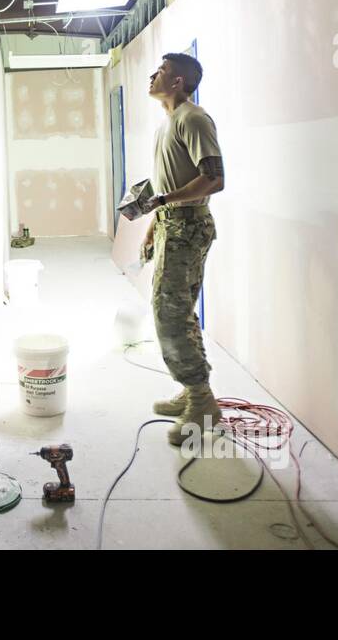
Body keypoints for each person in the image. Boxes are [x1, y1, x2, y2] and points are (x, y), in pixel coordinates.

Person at [141, 53, 225, 445]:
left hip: (188, 228)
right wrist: (153, 225)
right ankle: (193, 391)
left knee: (168, 314)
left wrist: (164, 204)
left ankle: (202, 404)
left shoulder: (193, 118)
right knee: (177, 311)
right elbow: (169, 187)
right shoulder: (168, 124)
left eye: (161, 71)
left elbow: (214, 178)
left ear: (177, 82)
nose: (153, 75)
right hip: (173, 227)